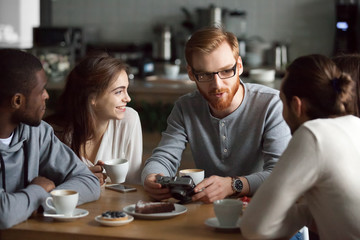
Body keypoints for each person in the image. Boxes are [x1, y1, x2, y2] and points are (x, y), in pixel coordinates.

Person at [141, 26, 291, 203]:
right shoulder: (185, 107)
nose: (217, 84)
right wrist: (152, 177)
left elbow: (281, 174)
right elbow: (163, 158)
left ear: (240, 66)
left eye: (227, 71)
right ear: (191, 74)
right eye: (205, 74)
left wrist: (233, 185)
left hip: (259, 208)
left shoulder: (271, 104)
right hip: (208, 210)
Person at [240, 54, 360, 239]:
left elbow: (255, 227)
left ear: (297, 105)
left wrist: (306, 211)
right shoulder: (354, 125)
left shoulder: (313, 134)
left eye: (282, 101)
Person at [0, 49, 101, 229]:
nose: (46, 95)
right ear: (17, 101)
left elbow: (89, 181)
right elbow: (4, 215)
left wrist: (35, 201)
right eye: (41, 90)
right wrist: (38, 190)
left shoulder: (37, 132)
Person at [45, 52, 143, 185]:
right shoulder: (53, 134)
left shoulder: (129, 120)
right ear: (92, 98)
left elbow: (133, 184)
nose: (128, 98)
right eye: (119, 91)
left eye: (126, 90)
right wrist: (79, 179)